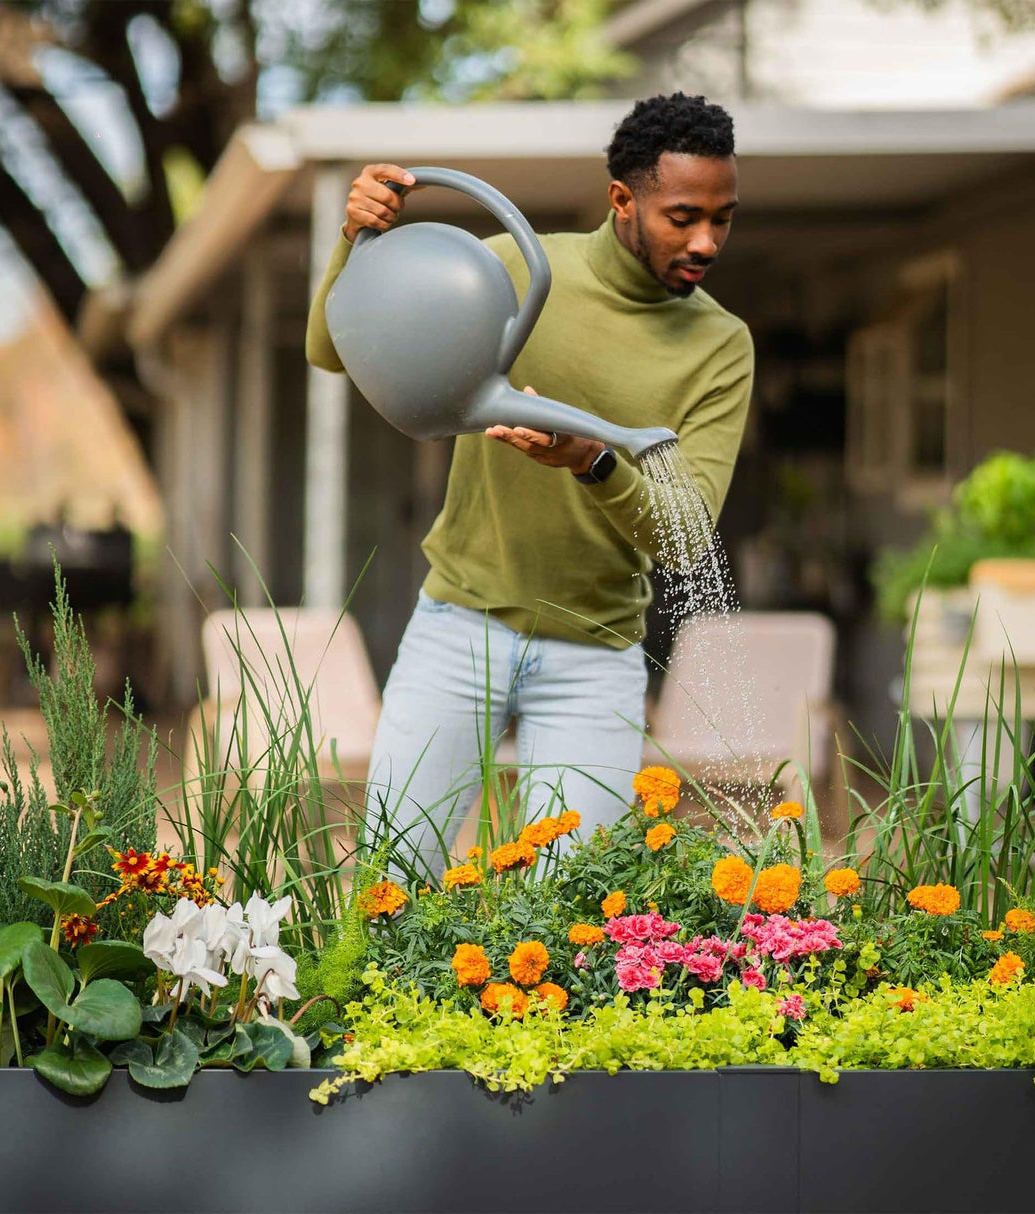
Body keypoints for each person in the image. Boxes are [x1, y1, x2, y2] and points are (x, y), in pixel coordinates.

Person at [305, 92, 754, 877]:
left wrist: (592, 460)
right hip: (459, 629)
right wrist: (357, 242)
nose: (707, 240)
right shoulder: (515, 266)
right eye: (683, 216)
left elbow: (684, 535)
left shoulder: (720, 347)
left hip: (596, 656)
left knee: (575, 912)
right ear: (624, 199)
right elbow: (332, 349)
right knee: (395, 884)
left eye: (723, 217)